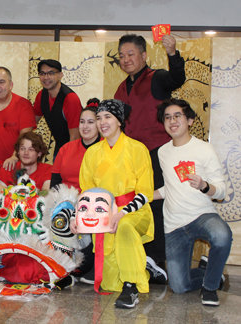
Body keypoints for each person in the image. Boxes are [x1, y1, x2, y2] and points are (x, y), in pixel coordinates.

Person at [115, 34, 186, 270]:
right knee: (133, 202)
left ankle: (157, 257)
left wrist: (173, 53)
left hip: (156, 153)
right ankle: (137, 250)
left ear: (144, 56)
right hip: (131, 157)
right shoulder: (120, 87)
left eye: (131, 54)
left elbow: (177, 78)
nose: (125, 59)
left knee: (155, 203)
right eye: (122, 55)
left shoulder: (157, 78)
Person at [76, 99, 154, 309]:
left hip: (135, 209)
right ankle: (140, 268)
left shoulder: (137, 149)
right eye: (98, 118)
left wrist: (122, 212)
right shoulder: (92, 152)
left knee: (125, 226)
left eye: (107, 117)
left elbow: (146, 192)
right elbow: (87, 191)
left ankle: (131, 286)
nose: (102, 122)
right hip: (103, 211)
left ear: (119, 121)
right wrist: (79, 218)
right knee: (111, 282)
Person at [154, 99, 231, 306]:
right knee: (179, 286)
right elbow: (169, 187)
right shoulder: (163, 152)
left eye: (177, 116)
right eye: (167, 117)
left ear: (190, 120)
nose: (172, 121)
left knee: (222, 235)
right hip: (174, 225)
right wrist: (144, 196)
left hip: (201, 216)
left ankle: (210, 287)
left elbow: (221, 191)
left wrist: (204, 185)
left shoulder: (205, 149)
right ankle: (210, 272)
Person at [33, 59, 83, 157]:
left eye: (51, 73)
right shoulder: (41, 95)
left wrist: (67, 159)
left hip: (76, 149)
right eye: (42, 73)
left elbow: (75, 136)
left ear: (60, 75)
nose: (46, 77)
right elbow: (31, 122)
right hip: (60, 146)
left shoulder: (70, 98)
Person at [50, 98, 101, 192]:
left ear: (99, 124)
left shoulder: (108, 149)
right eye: (82, 122)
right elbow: (55, 185)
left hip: (96, 201)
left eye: (90, 122)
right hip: (67, 201)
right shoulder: (66, 148)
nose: (85, 126)